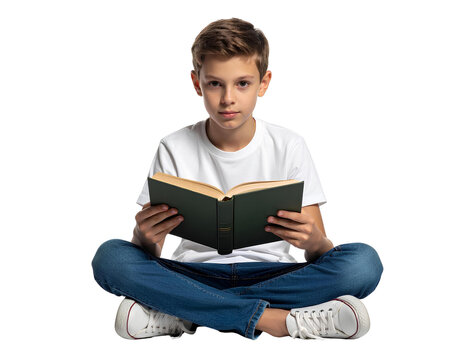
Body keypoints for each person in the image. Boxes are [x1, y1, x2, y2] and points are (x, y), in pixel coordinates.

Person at [91, 17, 383, 341]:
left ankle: (181, 313)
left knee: (362, 264)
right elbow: (149, 252)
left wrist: (313, 240)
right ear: (196, 82)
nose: (228, 97)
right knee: (111, 259)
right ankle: (278, 320)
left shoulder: (289, 146)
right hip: (194, 274)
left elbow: (319, 253)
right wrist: (142, 235)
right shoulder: (173, 147)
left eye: (242, 83)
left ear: (264, 82)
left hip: (273, 275)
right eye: (215, 83)